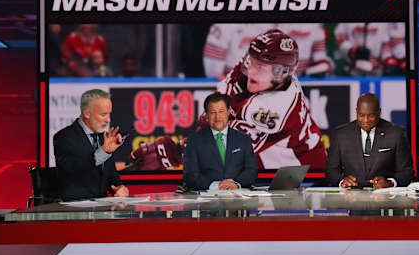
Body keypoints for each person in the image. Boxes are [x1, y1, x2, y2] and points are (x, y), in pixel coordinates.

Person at [128, 29, 327, 171]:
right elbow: (216, 113)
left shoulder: (277, 107)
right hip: (269, 162)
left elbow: (233, 147)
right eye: (252, 62)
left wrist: (176, 152)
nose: (252, 71)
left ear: (280, 74)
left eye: (261, 67)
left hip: (301, 170)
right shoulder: (246, 68)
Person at [325, 93, 414, 189]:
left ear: (379, 112)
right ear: (356, 112)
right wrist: (342, 181)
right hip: (350, 198)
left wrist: (390, 183)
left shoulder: (396, 133)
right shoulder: (341, 134)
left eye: (371, 115)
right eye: (361, 115)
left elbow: (407, 171)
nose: (366, 120)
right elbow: (331, 171)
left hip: (386, 198)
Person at [54, 89, 129, 201]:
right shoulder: (64, 137)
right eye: (103, 114)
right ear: (87, 113)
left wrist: (120, 188)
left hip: (101, 210)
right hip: (74, 210)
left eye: (109, 114)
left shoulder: (103, 138)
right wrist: (103, 152)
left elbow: (111, 176)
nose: (108, 120)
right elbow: (73, 170)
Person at [183, 92, 257, 190]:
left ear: (228, 112)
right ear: (206, 114)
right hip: (207, 199)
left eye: (221, 111)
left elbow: (251, 171)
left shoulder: (244, 139)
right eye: (213, 112)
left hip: (239, 196)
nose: (217, 117)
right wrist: (216, 186)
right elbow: (190, 175)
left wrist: (235, 183)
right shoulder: (194, 140)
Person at [203, 23, 332, 79]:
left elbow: (323, 62)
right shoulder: (224, 26)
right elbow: (213, 74)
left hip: (273, 91)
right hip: (239, 91)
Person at [335, 22, 405, 76]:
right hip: (353, 68)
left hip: (379, 69)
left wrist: (386, 57)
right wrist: (352, 50)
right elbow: (340, 39)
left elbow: (395, 42)